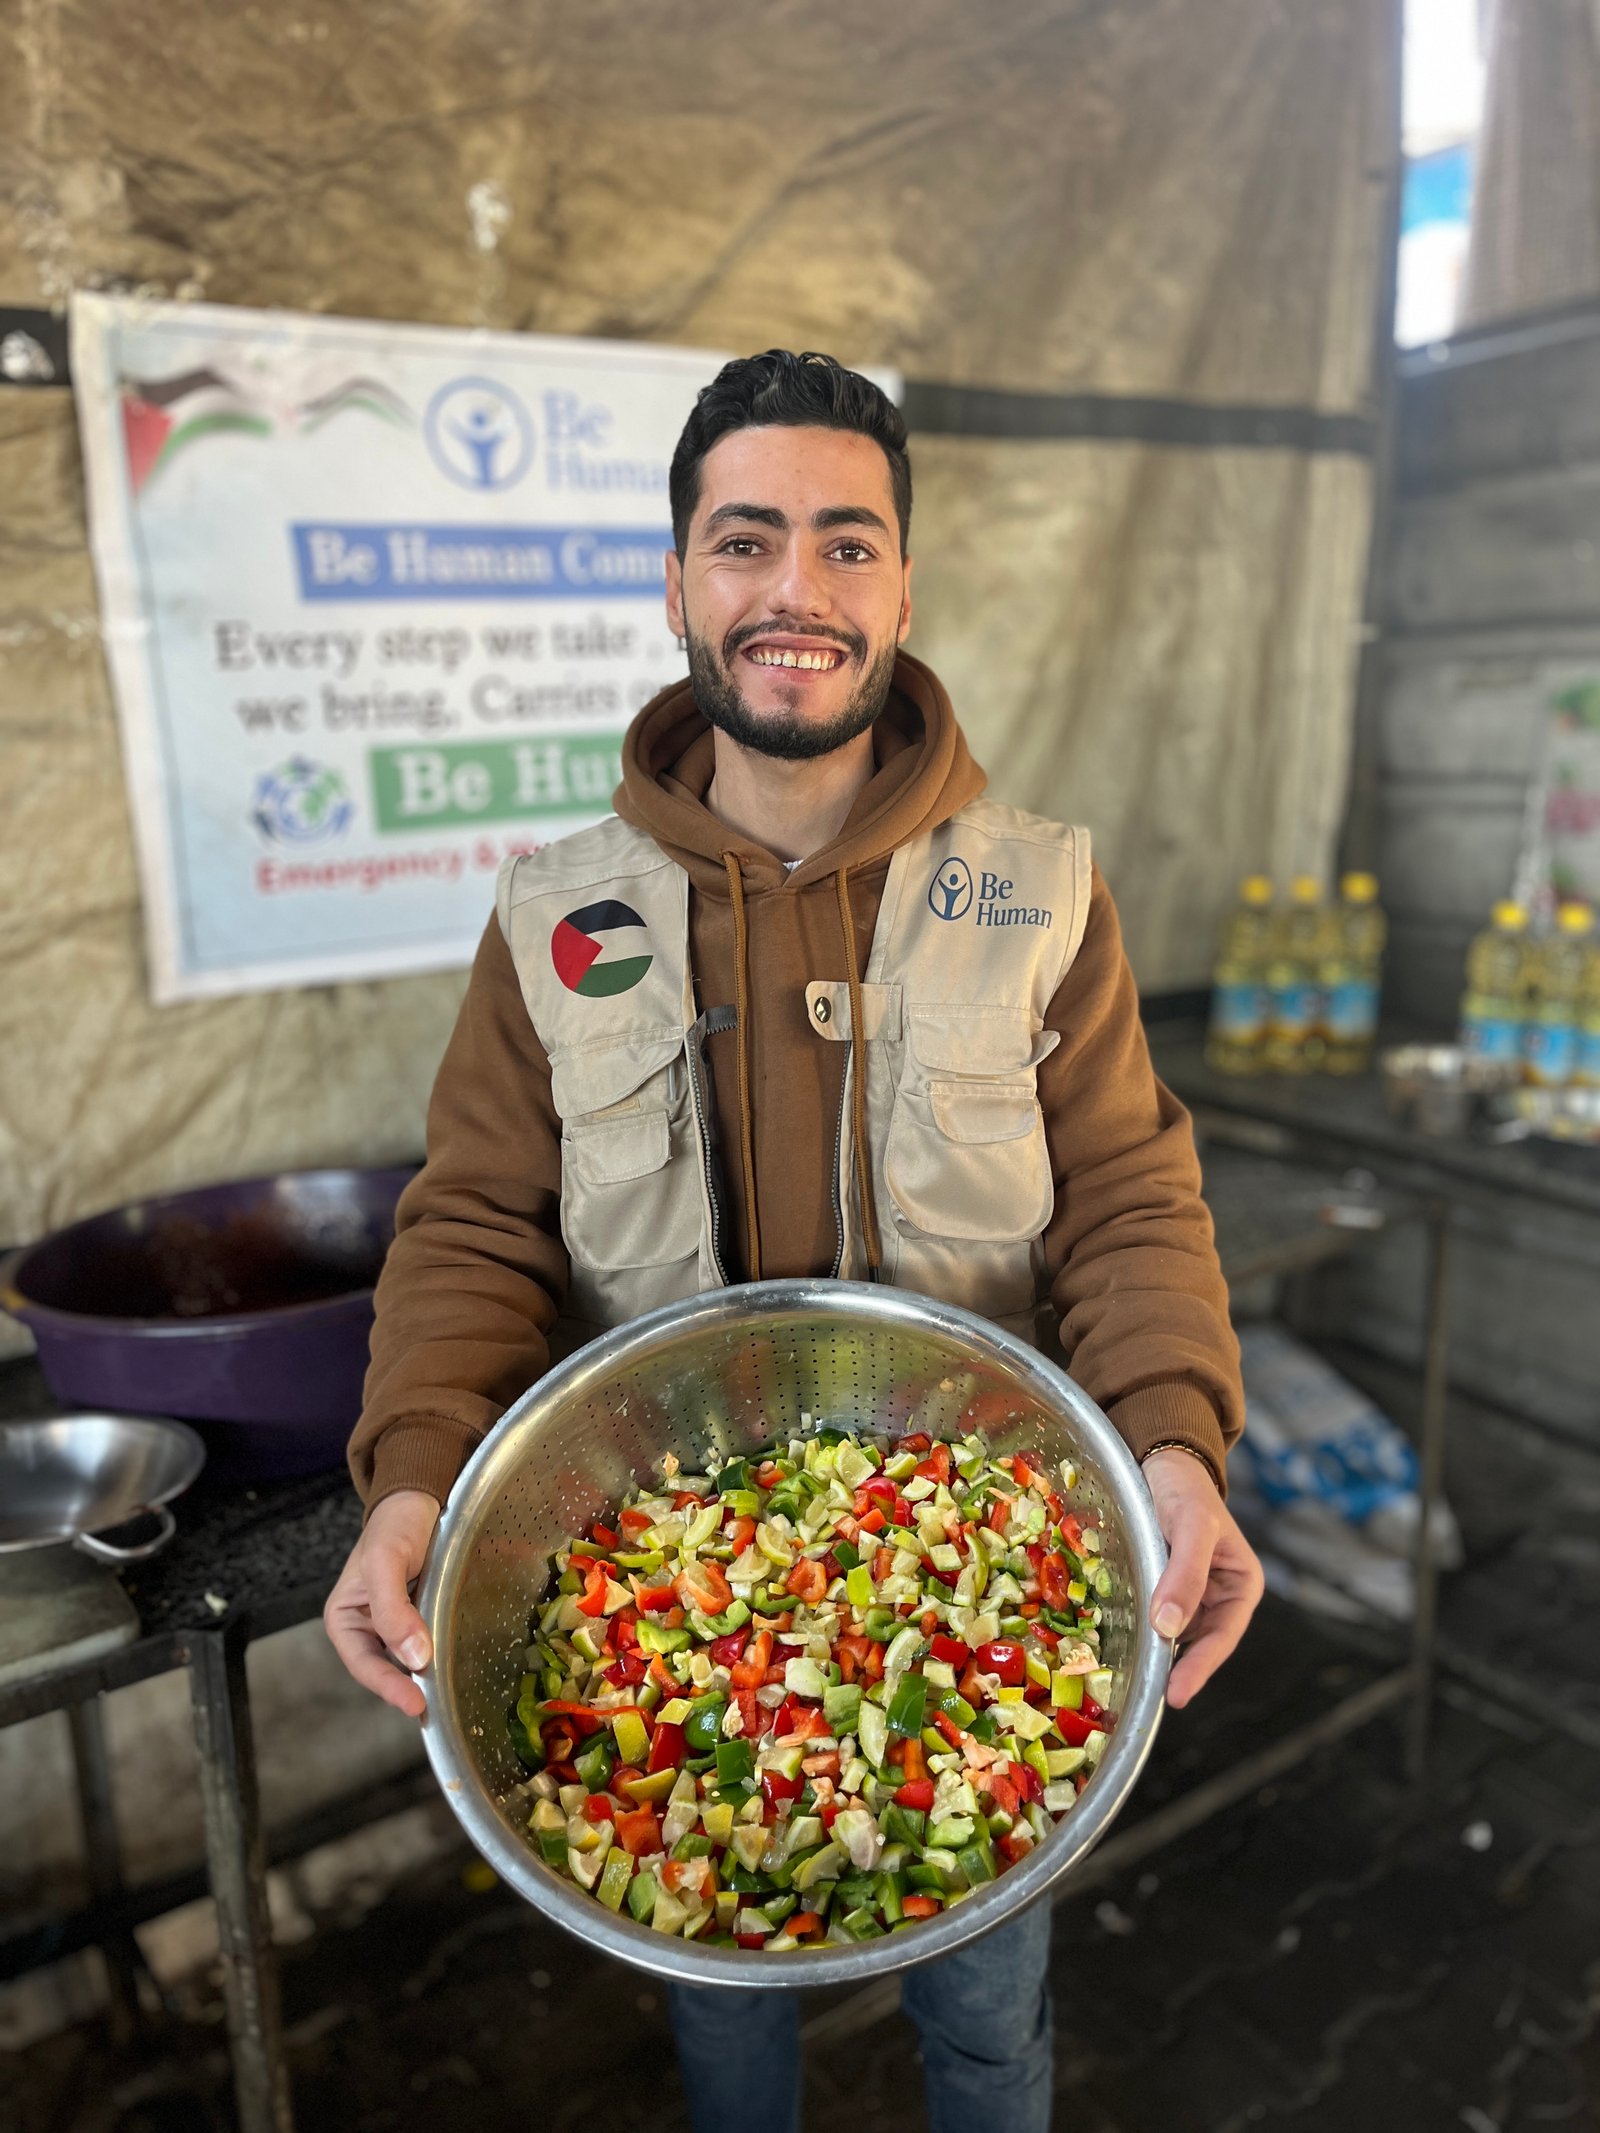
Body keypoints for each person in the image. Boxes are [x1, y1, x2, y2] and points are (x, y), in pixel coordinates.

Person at [325, 349, 1264, 2133]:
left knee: (987, 2019)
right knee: (724, 2021)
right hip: (665, 1585)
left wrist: (1173, 1446)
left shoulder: (1036, 885)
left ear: (903, 583)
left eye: (848, 544)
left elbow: (1136, 1194)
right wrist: (410, 1480)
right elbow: (472, 1227)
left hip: (970, 1560)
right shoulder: (560, 911)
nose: (796, 593)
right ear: (676, 579)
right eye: (745, 541)